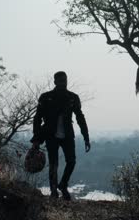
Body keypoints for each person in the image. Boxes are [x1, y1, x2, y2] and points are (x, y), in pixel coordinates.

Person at [31, 71, 90, 200]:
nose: (63, 83)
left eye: (65, 80)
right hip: (50, 135)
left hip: (67, 135)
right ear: (55, 82)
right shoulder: (46, 97)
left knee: (71, 161)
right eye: (61, 80)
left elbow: (80, 117)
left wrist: (86, 136)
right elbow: (37, 118)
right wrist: (36, 138)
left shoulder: (72, 97)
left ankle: (63, 184)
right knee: (53, 164)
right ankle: (53, 191)